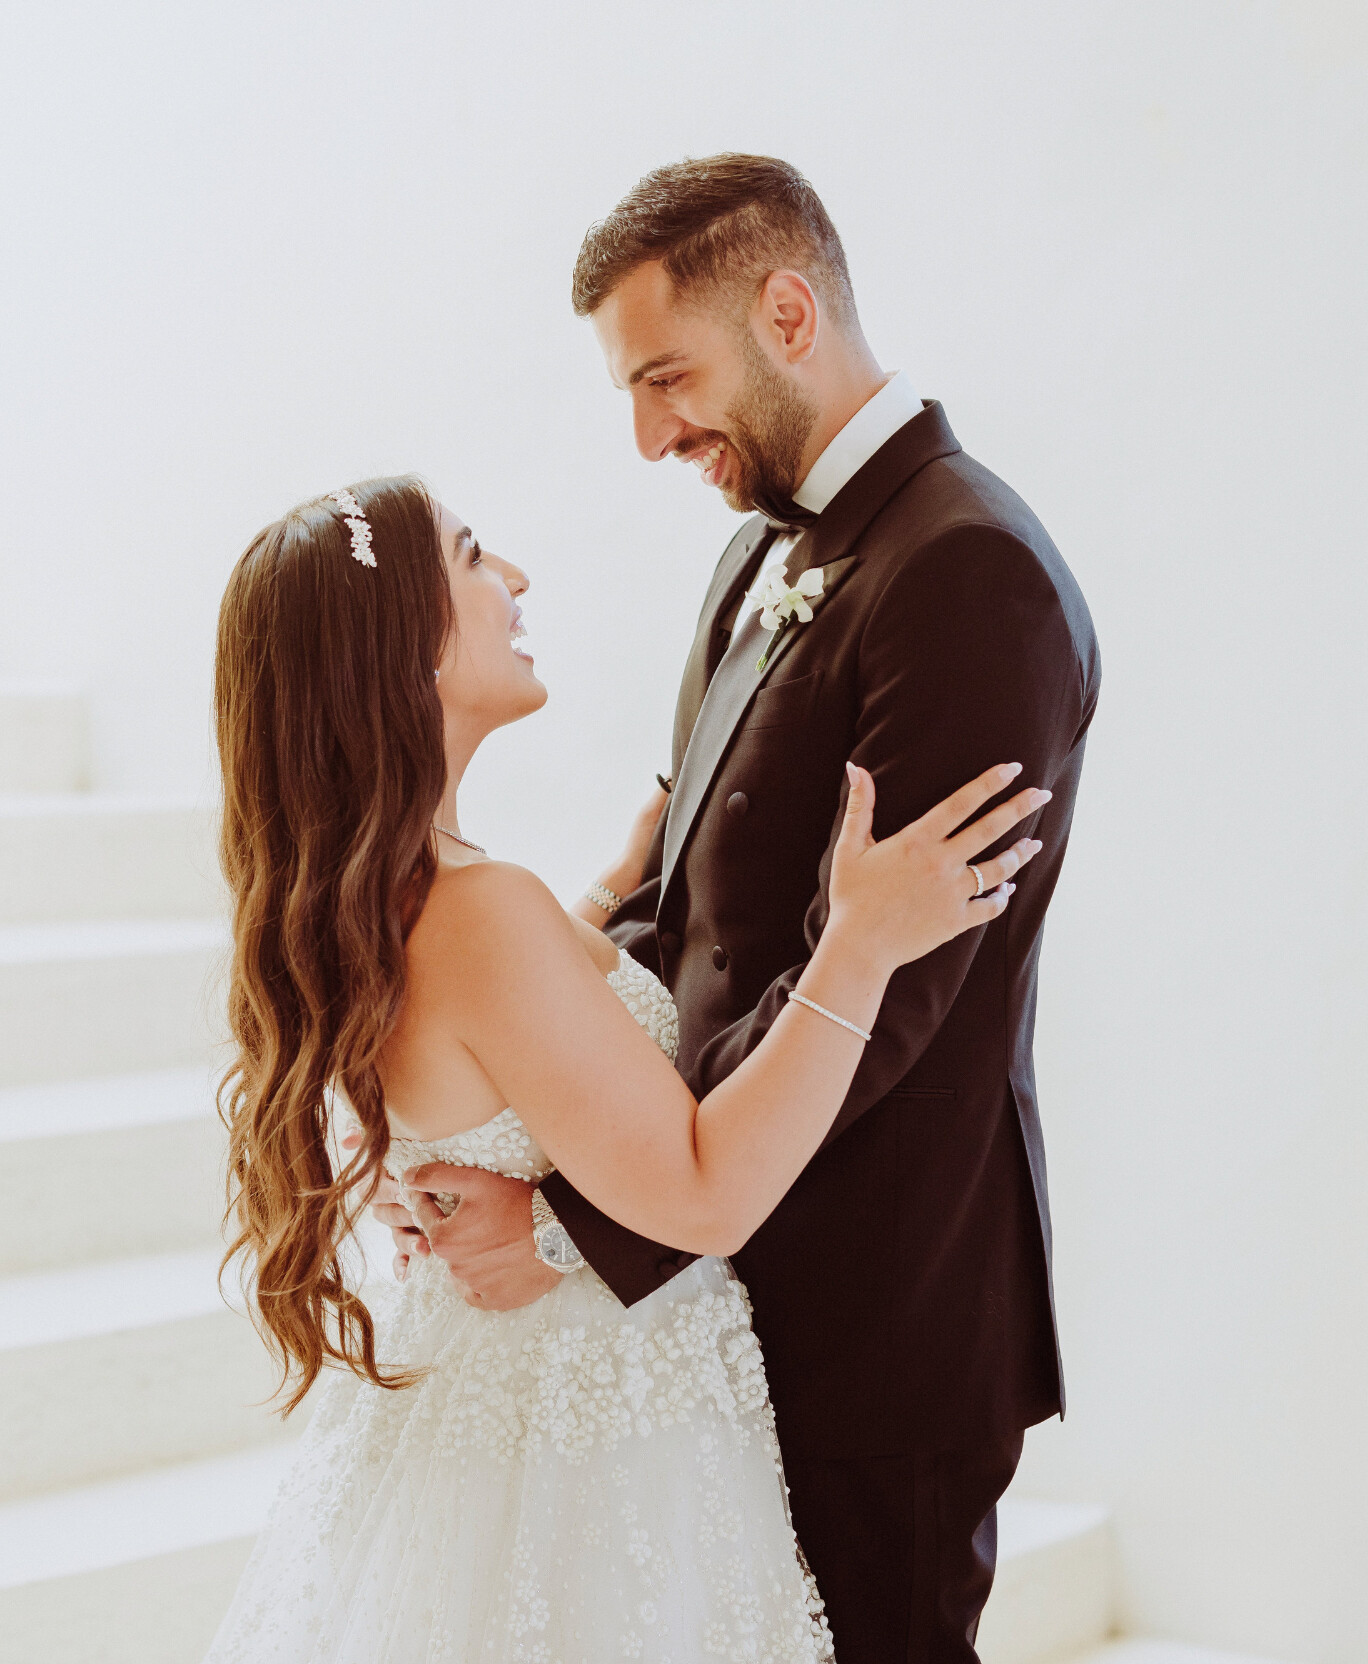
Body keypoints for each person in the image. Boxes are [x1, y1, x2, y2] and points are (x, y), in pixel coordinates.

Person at [372, 155, 1100, 1661]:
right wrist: (515, 1115)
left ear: (786, 313)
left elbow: (894, 990)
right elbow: (689, 919)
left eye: (666, 379)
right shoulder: (755, 553)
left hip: (879, 1305)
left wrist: (577, 1224)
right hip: (721, 1282)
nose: (650, 436)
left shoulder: (971, 572)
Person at [202, 474, 1056, 1661]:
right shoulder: (481, 913)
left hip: (497, 1403)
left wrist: (608, 890)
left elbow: (510, 1035)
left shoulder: (372, 901)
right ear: (406, 650)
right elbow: (706, 1194)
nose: (513, 578)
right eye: (471, 555)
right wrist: (860, 945)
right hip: (596, 1445)